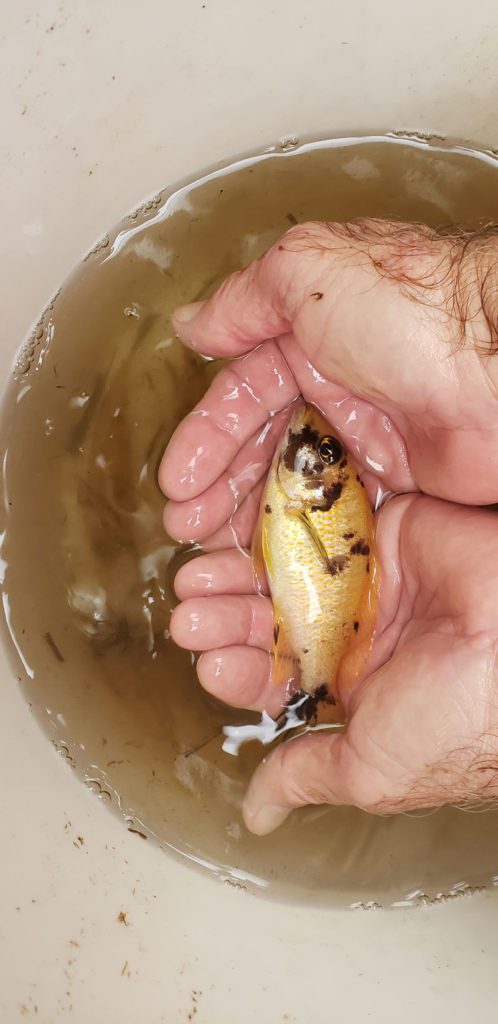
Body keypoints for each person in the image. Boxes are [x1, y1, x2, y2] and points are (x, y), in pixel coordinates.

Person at [159, 218, 498, 836]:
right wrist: (471, 332)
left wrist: (475, 323)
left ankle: (315, 689)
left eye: (322, 454)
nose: (307, 442)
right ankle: (316, 689)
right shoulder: (310, 492)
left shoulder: (305, 492)